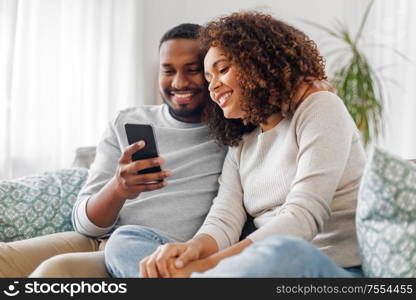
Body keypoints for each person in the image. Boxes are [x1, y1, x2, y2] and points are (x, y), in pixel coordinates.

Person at [105, 11, 367, 278]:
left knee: (286, 251)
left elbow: (302, 218)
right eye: (208, 79)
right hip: (250, 271)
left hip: (321, 268)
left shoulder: (319, 107)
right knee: (126, 241)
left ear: (261, 64)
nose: (213, 87)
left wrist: (206, 266)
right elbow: (224, 220)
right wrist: (191, 251)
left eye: (223, 70)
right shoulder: (242, 142)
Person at [0, 23, 228, 278]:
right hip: (98, 241)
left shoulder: (230, 133)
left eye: (193, 70)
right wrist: (118, 189)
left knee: (52, 274)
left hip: (155, 252)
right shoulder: (128, 120)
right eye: (168, 70)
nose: (179, 82)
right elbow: (84, 224)